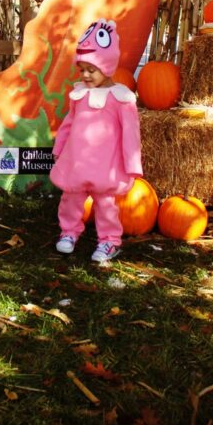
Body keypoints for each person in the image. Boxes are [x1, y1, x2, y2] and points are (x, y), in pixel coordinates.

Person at [49, 18, 142, 263]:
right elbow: (69, 123)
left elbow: (131, 134)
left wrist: (132, 166)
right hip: (77, 161)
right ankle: (69, 232)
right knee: (70, 199)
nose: (86, 75)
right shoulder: (79, 94)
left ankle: (109, 241)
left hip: (106, 166)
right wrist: (59, 148)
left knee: (106, 205)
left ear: (108, 66)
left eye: (92, 69)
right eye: (82, 70)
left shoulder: (121, 98)